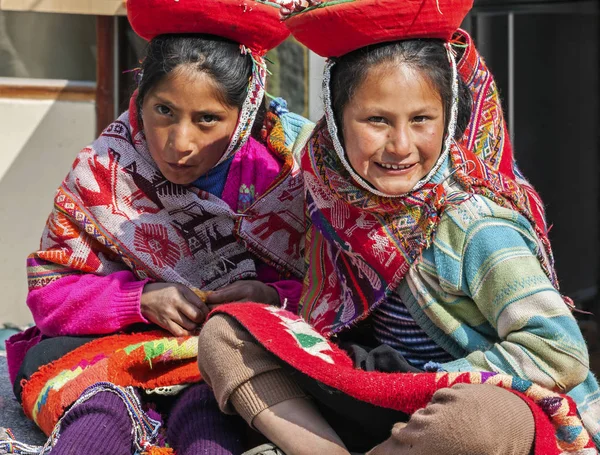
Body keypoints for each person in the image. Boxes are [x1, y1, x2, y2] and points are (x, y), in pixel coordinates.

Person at [196, 1, 600, 454]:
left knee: (479, 420)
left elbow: (559, 350)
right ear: (336, 120)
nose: (401, 145)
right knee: (229, 333)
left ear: (449, 121)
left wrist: (433, 380)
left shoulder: (475, 226)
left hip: (453, 395)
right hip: (372, 386)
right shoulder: (333, 199)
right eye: (377, 121)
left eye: (422, 120)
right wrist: (275, 301)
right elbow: (328, 321)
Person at [2, 1, 311, 454]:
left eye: (207, 120)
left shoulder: (284, 179)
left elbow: (326, 296)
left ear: (243, 116)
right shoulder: (105, 169)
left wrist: (268, 296)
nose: (179, 143)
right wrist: (139, 299)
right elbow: (51, 295)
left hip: (222, 358)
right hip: (109, 353)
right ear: (139, 100)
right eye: (163, 110)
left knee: (213, 402)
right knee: (89, 401)